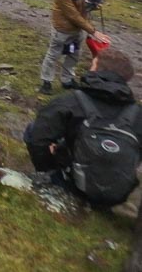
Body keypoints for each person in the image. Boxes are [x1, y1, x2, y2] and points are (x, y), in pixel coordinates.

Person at [25, 48, 142, 208]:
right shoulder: (137, 114)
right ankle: (105, 196)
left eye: (93, 64)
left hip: (74, 185)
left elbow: (38, 138)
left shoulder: (72, 102)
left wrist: (49, 164)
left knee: (32, 130)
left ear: (96, 70)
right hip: (116, 195)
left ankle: (51, 179)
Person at [39, 0, 110, 94]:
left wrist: (95, 4)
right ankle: (46, 81)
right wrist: (93, 31)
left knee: (74, 54)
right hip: (63, 28)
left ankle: (67, 80)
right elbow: (72, 15)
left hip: (80, 28)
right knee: (54, 54)